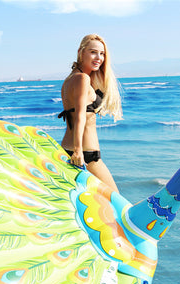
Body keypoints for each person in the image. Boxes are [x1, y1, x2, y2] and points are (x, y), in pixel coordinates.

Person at [58, 34, 123, 192]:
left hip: (67, 150)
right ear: (81, 52)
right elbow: (80, 115)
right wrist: (78, 151)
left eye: (102, 54)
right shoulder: (82, 79)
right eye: (93, 52)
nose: (99, 58)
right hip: (85, 155)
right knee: (116, 198)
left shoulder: (69, 80)